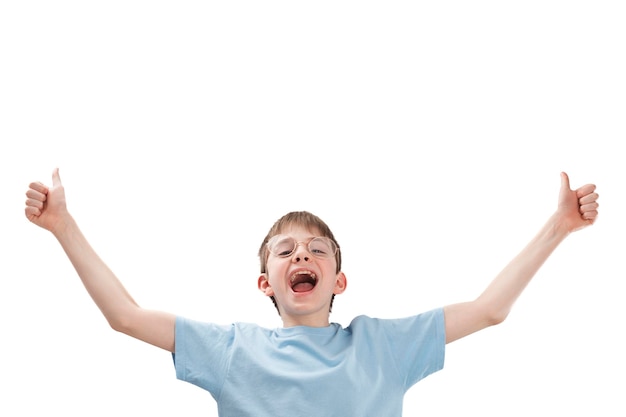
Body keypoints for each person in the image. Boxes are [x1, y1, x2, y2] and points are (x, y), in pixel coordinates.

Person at [24, 168, 599, 417]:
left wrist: (558, 228)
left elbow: (488, 309)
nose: (302, 255)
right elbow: (125, 315)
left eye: (317, 250)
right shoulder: (231, 350)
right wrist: (64, 228)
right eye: (286, 251)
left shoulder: (382, 348)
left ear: (338, 280)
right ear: (265, 283)